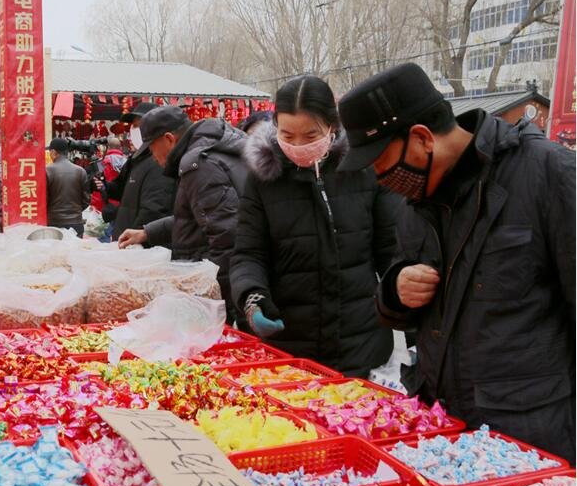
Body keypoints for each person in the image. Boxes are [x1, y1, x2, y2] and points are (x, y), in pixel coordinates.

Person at [337, 63, 575, 461]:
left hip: (530, 439)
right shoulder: (414, 203)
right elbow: (400, 299)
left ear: (421, 138)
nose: (379, 177)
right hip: (445, 434)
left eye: (381, 161)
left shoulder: (547, 173)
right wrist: (395, 290)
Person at [228, 76, 401, 376]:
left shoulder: (362, 169)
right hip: (290, 348)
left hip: (362, 343)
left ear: (332, 126)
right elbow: (248, 253)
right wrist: (252, 297)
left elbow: (391, 250)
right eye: (287, 135)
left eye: (310, 135)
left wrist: (406, 307)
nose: (298, 145)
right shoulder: (263, 179)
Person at [117, 106, 250, 323]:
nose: (153, 156)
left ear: (169, 139)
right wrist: (147, 233)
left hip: (222, 289)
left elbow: (226, 236)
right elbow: (197, 216)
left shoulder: (198, 164)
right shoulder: (210, 151)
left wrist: (213, 300)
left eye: (152, 148)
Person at [107, 102, 176, 240]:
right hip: (127, 241)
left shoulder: (159, 159)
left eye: (140, 125)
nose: (135, 130)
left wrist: (137, 238)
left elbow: (155, 208)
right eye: (134, 126)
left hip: (140, 245)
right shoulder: (136, 159)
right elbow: (125, 193)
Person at [45, 138, 90, 236]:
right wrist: (75, 212)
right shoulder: (80, 171)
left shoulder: (47, 171)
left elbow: (44, 199)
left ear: (53, 152)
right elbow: (86, 200)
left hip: (54, 222)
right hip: (76, 222)